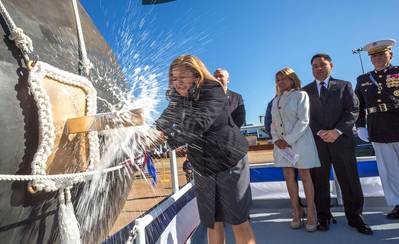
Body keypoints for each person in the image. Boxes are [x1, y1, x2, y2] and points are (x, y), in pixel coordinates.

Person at [156, 55, 256, 244]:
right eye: (174, 78)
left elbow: (198, 124)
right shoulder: (178, 97)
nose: (178, 82)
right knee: (212, 221)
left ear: (196, 75)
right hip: (203, 166)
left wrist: (162, 143)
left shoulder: (213, 89)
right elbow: (163, 122)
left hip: (229, 161)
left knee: (238, 220)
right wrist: (143, 138)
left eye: (182, 76)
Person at [302, 53, 373, 235]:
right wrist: (319, 132)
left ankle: (355, 217)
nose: (318, 68)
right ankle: (323, 216)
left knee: (349, 180)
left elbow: (353, 111)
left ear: (331, 65)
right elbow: (304, 117)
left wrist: (336, 131)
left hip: (342, 141)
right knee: (319, 182)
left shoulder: (344, 86)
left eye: (322, 64)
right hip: (318, 143)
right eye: (315, 66)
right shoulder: (305, 91)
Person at [271, 67, 320, 232]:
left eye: (284, 78)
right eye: (278, 79)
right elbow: (272, 124)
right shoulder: (275, 100)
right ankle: (297, 210)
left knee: (305, 176)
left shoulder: (301, 95)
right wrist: (277, 140)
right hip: (282, 146)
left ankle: (311, 212)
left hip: (300, 142)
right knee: (288, 176)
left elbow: (303, 120)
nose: (280, 82)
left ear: (293, 79)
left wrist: (288, 140)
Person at [355, 39, 399, 219]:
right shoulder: (363, 79)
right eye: (374, 56)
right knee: (388, 169)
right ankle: (397, 203)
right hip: (378, 128)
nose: (378, 58)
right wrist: (360, 126)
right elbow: (358, 105)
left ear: (391, 55)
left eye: (381, 54)